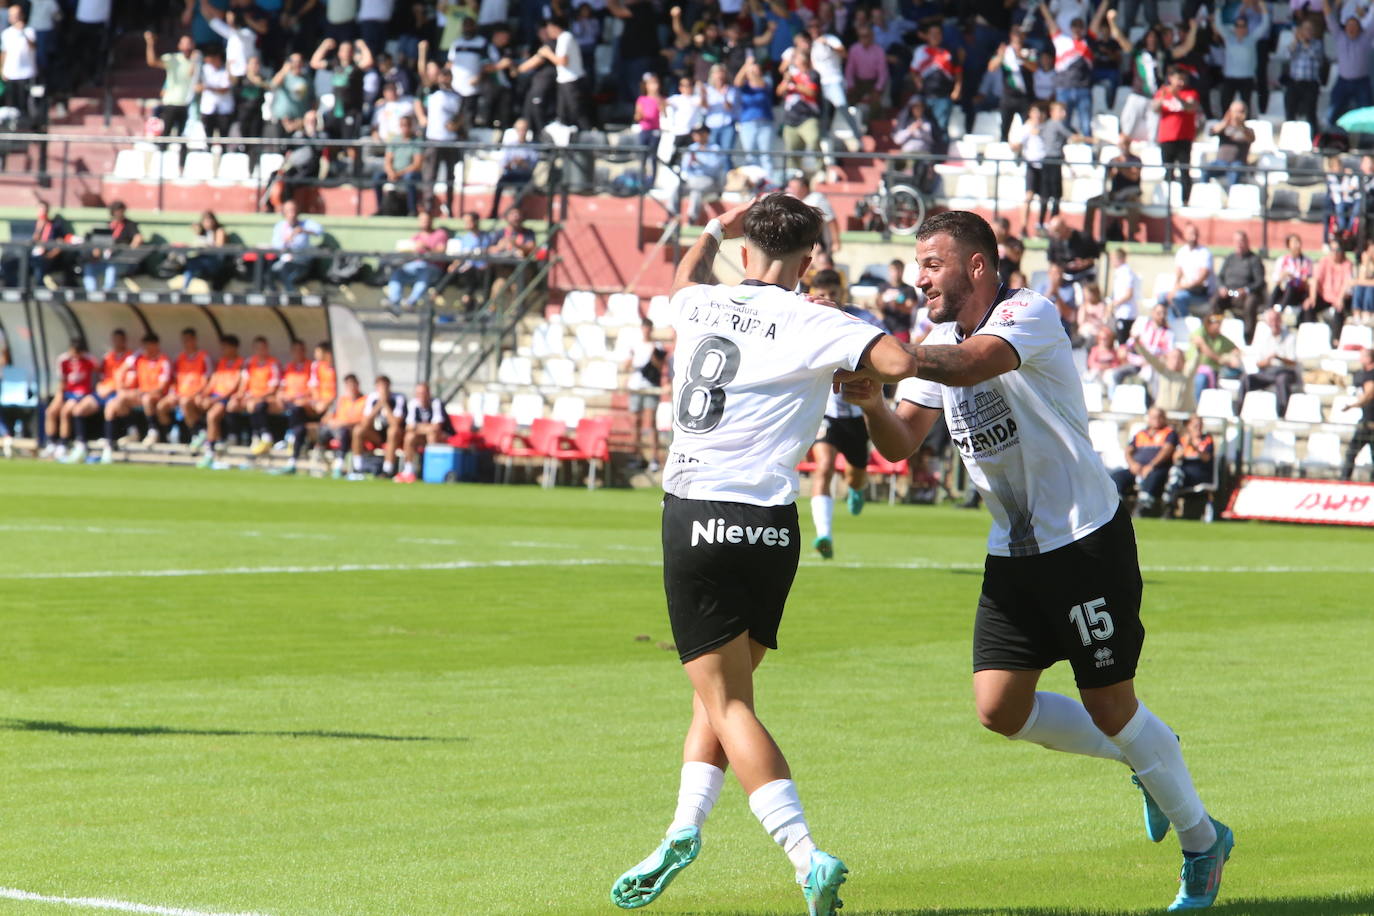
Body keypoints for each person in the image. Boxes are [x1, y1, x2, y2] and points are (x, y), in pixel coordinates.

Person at [838, 211, 1232, 914]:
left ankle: (1203, 843)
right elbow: (900, 444)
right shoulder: (930, 343)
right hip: (1014, 551)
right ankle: (1146, 757)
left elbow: (972, 364)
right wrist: (873, 401)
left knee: (1109, 705)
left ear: (978, 267)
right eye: (917, 264)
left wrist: (879, 350)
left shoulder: (1030, 313)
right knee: (999, 709)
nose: (919, 276)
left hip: (1083, 539)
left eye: (932, 264)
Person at [610, 193, 922, 916]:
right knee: (718, 697)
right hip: (773, 529)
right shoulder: (820, 319)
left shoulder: (700, 304)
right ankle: (682, 831)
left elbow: (678, 277)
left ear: (743, 252)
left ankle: (805, 855)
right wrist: (870, 382)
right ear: (810, 260)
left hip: (699, 514)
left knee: (727, 702)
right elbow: (900, 359)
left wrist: (714, 226)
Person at [804, 268, 885, 559]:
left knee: (855, 476)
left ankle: (857, 489)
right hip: (825, 410)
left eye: (833, 294)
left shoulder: (864, 320)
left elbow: (888, 354)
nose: (827, 299)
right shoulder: (805, 321)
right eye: (821, 293)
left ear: (843, 293)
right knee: (823, 467)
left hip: (857, 411)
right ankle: (823, 534)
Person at [101, 333, 171, 464]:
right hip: (141, 393)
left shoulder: (163, 360)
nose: (146, 350)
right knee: (119, 399)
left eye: (149, 347)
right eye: (145, 347)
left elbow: (161, 387)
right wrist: (121, 386)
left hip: (157, 395)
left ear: (156, 346)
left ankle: (153, 431)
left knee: (147, 399)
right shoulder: (139, 356)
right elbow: (120, 371)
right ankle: (130, 431)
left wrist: (143, 391)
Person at [153, 327, 212, 446]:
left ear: (195, 340)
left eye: (189, 339)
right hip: (179, 394)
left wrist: (199, 394)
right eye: (184, 340)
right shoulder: (179, 358)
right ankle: (170, 432)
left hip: (195, 394)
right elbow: (173, 380)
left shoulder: (203, 357)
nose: (187, 343)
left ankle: (198, 432)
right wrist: (173, 393)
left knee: (185, 403)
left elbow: (208, 379)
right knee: (161, 406)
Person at [194, 335, 246, 467]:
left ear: (234, 348)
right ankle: (202, 433)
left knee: (212, 416)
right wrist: (203, 395)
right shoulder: (221, 362)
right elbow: (213, 382)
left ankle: (210, 450)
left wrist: (215, 399)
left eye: (225, 347)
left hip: (226, 398)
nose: (223, 350)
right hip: (215, 397)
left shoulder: (240, 363)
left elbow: (235, 386)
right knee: (193, 403)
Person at [42, 336, 96, 463]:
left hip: (81, 394)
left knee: (65, 411)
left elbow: (97, 375)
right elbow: (62, 381)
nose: (75, 355)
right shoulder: (64, 360)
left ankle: (63, 444)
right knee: (50, 411)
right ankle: (51, 443)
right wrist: (58, 396)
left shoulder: (89, 360)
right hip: (67, 393)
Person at [1151, 67, 1200, 206]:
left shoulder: (1190, 93)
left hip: (1184, 138)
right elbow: (1155, 109)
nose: (1181, 82)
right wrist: (1162, 96)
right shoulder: (1163, 93)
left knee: (1185, 171)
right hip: (1166, 138)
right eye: (1178, 79)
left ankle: (1185, 200)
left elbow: (1191, 107)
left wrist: (1177, 96)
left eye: (1183, 79)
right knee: (1168, 171)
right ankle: (1168, 201)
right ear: (1171, 79)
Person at [624, 317, 667, 471]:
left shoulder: (657, 346)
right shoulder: (635, 346)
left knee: (651, 423)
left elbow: (660, 366)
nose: (646, 331)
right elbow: (626, 365)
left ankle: (654, 458)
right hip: (636, 386)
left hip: (650, 386)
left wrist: (653, 355)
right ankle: (636, 456)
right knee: (635, 422)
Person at [1238, 309, 1299, 415]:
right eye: (1271, 321)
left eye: (1276, 320)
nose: (1274, 323)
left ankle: (1283, 414)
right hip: (1267, 372)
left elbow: (1293, 363)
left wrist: (1279, 358)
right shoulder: (1263, 337)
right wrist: (1268, 361)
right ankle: (1239, 413)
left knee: (1282, 380)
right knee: (1246, 379)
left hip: (1284, 371)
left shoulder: (1290, 337)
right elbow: (1258, 363)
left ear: (1280, 321)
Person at [143, 31, 199, 148]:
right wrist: (150, 44)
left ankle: (181, 166)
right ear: (179, 46)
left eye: (189, 44)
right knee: (165, 137)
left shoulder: (198, 60)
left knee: (184, 139)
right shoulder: (173, 59)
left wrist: (195, 61)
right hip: (171, 103)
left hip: (188, 104)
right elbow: (152, 62)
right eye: (184, 44)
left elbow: (192, 74)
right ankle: (160, 161)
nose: (187, 47)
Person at [1323, 0, 1374, 125]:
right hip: (1343, 82)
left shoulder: (1366, 38)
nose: (1351, 28)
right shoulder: (1340, 37)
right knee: (1332, 112)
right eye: (1349, 25)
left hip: (1361, 82)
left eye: (1354, 25)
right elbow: (1330, 18)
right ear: (1345, 27)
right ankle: (1330, 135)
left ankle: (1367, 140)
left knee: (1366, 112)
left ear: (1359, 28)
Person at [908, 22, 961, 142]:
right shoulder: (920, 52)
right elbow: (913, 71)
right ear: (927, 36)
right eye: (932, 34)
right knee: (926, 128)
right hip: (925, 96)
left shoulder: (949, 52)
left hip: (943, 97)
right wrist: (916, 80)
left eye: (938, 33)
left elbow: (958, 72)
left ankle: (941, 155)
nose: (935, 36)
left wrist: (957, 89)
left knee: (941, 128)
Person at [386, 211, 450, 310]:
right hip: (415, 267)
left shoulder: (440, 234)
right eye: (422, 220)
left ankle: (411, 302)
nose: (424, 222)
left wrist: (426, 248)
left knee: (424, 271)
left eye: (426, 220)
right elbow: (410, 256)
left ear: (431, 220)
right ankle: (394, 301)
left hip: (434, 268)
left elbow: (441, 252)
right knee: (398, 273)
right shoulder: (416, 237)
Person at [1084, 137, 1142, 243]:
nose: (1123, 147)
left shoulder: (1135, 159)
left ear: (1129, 145)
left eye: (1125, 144)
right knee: (1091, 202)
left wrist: (1121, 167)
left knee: (1133, 203)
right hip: (1116, 193)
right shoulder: (1114, 160)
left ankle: (1131, 236)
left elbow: (1134, 176)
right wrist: (1113, 171)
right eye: (1121, 144)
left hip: (1131, 192)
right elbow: (1108, 177)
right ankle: (1087, 235)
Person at [1210, 231, 1266, 341]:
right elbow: (1220, 277)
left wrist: (1246, 290)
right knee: (1215, 300)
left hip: (1246, 295)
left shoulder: (1254, 260)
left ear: (1247, 242)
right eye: (1236, 241)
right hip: (1229, 294)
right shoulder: (1230, 258)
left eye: (1241, 241)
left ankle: (1248, 336)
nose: (1239, 244)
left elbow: (1260, 281)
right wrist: (1222, 287)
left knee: (1251, 303)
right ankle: (1214, 332)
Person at [1214, 0, 1269, 112]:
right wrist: (1219, 7)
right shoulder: (1229, 38)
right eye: (1238, 26)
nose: (1240, 28)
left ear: (1247, 28)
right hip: (1230, 78)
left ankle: (1245, 128)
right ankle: (1225, 127)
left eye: (1243, 26)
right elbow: (1218, 24)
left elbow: (1264, 25)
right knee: (1225, 103)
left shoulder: (1252, 39)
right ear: (1234, 28)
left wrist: (1263, 9)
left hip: (1246, 78)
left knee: (1245, 107)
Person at [395, 382, 454, 483]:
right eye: (419, 393)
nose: (421, 396)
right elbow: (409, 427)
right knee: (410, 437)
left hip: (443, 436)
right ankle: (408, 471)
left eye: (424, 393)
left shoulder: (436, 403)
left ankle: (432, 470)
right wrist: (426, 427)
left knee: (432, 435)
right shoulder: (413, 404)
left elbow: (437, 427)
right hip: (422, 436)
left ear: (429, 393)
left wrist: (418, 427)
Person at [349, 374, 406, 479]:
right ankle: (358, 467)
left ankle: (387, 470)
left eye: (385, 387)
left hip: (395, 435)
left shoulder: (398, 398)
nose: (382, 390)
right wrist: (379, 404)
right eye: (380, 387)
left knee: (392, 431)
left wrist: (385, 403)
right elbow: (365, 423)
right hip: (377, 434)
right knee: (358, 430)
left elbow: (395, 423)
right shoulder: (372, 398)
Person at [540, 15, 591, 131]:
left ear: (555, 27)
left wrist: (547, 53)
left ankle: (588, 137)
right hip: (564, 80)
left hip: (572, 81)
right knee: (562, 114)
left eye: (549, 28)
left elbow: (563, 61)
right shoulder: (562, 38)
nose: (548, 31)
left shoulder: (565, 37)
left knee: (577, 112)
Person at [82, 201, 143, 294]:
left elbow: (138, 238)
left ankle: (107, 292)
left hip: (121, 261)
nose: (119, 213)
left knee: (112, 267)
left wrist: (131, 249)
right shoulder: (107, 225)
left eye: (121, 211)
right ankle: (91, 293)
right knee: (89, 267)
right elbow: (95, 240)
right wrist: (96, 250)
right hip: (104, 259)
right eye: (116, 211)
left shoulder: (129, 225)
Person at [1161, 415, 1214, 515]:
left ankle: (1169, 502)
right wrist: (1186, 446)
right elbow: (1175, 458)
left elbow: (1206, 458)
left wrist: (1194, 447)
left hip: (1199, 473)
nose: (1198, 428)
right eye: (1195, 425)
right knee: (1175, 473)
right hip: (1184, 474)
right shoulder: (1183, 440)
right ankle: (1169, 504)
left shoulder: (1207, 439)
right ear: (1188, 426)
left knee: (1176, 474)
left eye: (1200, 425)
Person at [733, 59, 775, 184]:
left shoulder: (766, 80)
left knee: (766, 155)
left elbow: (759, 84)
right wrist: (745, 66)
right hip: (747, 123)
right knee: (750, 155)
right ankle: (754, 182)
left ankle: (769, 183)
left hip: (765, 123)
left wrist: (750, 71)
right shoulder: (744, 86)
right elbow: (736, 82)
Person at [990, 27, 1035, 142]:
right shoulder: (1005, 51)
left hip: (1025, 96)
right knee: (1004, 127)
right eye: (1015, 36)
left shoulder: (1029, 50)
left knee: (1027, 127)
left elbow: (1034, 67)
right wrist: (1000, 56)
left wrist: (1021, 58)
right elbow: (991, 67)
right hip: (1008, 96)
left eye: (1020, 36)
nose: (1018, 39)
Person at [678, 125, 729, 224]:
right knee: (676, 188)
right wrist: (689, 163)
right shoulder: (691, 148)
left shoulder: (715, 148)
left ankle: (691, 220)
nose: (697, 135)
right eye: (695, 133)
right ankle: (673, 215)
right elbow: (684, 169)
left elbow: (715, 170)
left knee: (696, 191)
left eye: (700, 133)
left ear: (707, 134)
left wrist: (699, 162)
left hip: (709, 181)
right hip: (692, 180)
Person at [1161, 224, 1214, 319]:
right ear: (1184, 235)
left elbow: (1201, 278)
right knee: (1162, 297)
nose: (1193, 237)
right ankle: (1166, 328)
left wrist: (1180, 288)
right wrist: (1174, 289)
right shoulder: (1181, 252)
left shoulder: (1204, 253)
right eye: (1190, 234)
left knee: (1177, 298)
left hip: (1199, 293)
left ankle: (1184, 326)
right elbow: (1178, 274)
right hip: (1184, 290)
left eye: (1195, 234)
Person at [269, 200, 323, 291]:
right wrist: (286, 240)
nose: (292, 214)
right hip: (284, 261)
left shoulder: (305, 224)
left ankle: (291, 295)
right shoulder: (280, 226)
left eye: (293, 210)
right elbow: (276, 246)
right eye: (289, 211)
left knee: (286, 272)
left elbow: (319, 231)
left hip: (301, 262)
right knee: (270, 272)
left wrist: (304, 231)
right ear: (284, 213)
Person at [489, 119, 537, 219]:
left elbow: (533, 165)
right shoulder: (510, 145)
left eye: (524, 129)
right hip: (511, 173)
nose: (521, 132)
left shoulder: (532, 146)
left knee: (521, 188)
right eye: (519, 129)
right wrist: (511, 163)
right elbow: (503, 163)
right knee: (500, 184)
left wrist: (523, 163)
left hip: (524, 175)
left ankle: (516, 215)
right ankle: (494, 212)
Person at [321, 372, 366, 478]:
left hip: (350, 431)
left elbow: (363, 420)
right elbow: (327, 417)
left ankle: (340, 463)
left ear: (357, 384)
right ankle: (322, 460)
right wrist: (331, 421)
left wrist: (344, 423)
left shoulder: (364, 400)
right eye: (348, 385)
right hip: (335, 429)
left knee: (344, 432)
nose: (351, 387)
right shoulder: (342, 400)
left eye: (353, 384)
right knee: (321, 431)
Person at [1305, 238, 1353, 336]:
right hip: (1325, 297)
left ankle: (1335, 340)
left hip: (1339, 298)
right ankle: (1309, 335)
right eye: (1332, 250)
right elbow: (1315, 280)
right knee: (1308, 306)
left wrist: (1340, 298)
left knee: (1339, 310)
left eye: (1337, 250)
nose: (1335, 253)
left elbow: (1347, 283)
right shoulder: (1324, 261)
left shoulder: (1347, 264)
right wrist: (1312, 297)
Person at [1202, 101, 1254, 190]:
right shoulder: (1224, 128)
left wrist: (1241, 126)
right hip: (1220, 163)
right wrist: (1226, 121)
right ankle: (1204, 193)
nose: (1237, 114)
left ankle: (1232, 197)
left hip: (1238, 163)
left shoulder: (1248, 130)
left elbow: (1251, 138)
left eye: (1240, 111)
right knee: (1206, 169)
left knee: (1235, 170)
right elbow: (1211, 132)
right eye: (1235, 111)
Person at [1282, 17, 1324, 127]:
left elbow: (1316, 56)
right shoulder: (1296, 44)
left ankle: (1313, 139)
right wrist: (1296, 41)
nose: (1308, 31)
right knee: (1290, 112)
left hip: (1310, 84)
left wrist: (1305, 43)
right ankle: (1289, 137)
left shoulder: (1317, 44)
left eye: (1310, 29)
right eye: (1306, 29)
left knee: (1310, 113)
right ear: (1301, 30)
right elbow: (1286, 56)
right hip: (1294, 82)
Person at [785, 176, 841, 255]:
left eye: (794, 187)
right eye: (790, 187)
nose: (791, 190)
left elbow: (831, 220)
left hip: (819, 243)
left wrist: (836, 242)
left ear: (804, 188)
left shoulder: (817, 199)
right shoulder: (790, 200)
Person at [1341, 347, 1374, 480]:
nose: (1359, 359)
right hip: (1367, 419)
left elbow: (1369, 394)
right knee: (1354, 452)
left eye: (1362, 356)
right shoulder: (1362, 373)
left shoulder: (1371, 374)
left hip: (1370, 422)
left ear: (1369, 358)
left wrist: (1352, 406)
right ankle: (1345, 479)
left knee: (1353, 452)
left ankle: (1344, 480)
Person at [180, 211, 229, 292]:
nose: (208, 223)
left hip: (215, 262)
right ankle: (185, 287)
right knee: (189, 262)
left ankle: (185, 287)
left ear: (214, 221)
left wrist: (207, 245)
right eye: (205, 221)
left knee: (192, 263)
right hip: (202, 260)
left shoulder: (219, 231)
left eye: (210, 220)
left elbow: (219, 247)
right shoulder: (203, 232)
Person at [1046, 217, 1099, 286]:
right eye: (1054, 232)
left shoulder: (1084, 238)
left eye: (1057, 231)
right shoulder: (1054, 241)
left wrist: (1084, 263)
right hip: (1063, 276)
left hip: (1084, 275)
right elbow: (1052, 261)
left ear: (1064, 227)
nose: (1056, 235)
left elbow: (1095, 256)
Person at [1270, 234, 1312, 319]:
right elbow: (1276, 279)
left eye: (1298, 242)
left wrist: (1294, 278)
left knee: (1291, 286)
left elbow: (1306, 280)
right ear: (1288, 245)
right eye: (1294, 243)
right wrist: (1283, 276)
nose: (1297, 245)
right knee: (1277, 289)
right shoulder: (1282, 260)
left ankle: (1280, 312)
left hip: (1298, 293)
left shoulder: (1306, 261)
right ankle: (1268, 310)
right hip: (1284, 291)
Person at [1109, 248, 1140, 344]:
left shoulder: (1126, 272)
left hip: (1126, 313)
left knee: (1123, 342)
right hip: (1121, 312)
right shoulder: (1120, 272)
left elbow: (1129, 293)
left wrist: (1114, 304)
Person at [1351, 239, 1374, 321]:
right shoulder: (1367, 264)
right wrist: (1365, 264)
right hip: (1365, 286)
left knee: (1370, 290)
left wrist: (1361, 282)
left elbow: (1360, 281)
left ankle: (1368, 313)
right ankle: (1357, 314)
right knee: (1359, 288)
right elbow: (1361, 280)